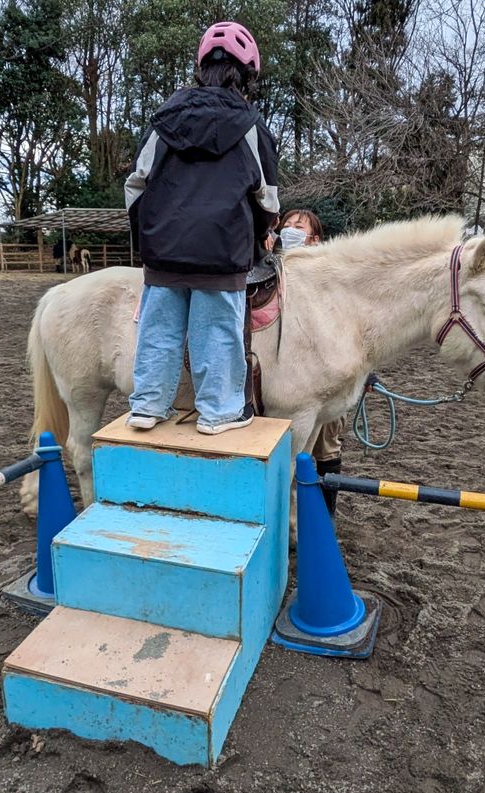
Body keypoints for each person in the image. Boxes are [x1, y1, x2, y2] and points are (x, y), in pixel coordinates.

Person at [124, 21, 279, 435]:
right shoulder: (251, 127)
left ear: (200, 68)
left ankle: (147, 406)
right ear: (246, 75)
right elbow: (267, 198)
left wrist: (148, 237)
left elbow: (135, 185)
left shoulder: (162, 121)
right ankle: (221, 412)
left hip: (163, 253)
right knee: (217, 334)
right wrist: (256, 238)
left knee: (158, 330)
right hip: (222, 254)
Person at [279, 208, 344, 515]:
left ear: (315, 240)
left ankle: (324, 515)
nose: (290, 230)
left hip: (331, 373)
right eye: (287, 225)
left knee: (327, 445)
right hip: (294, 378)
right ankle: (299, 514)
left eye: (298, 227)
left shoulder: (330, 278)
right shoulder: (273, 269)